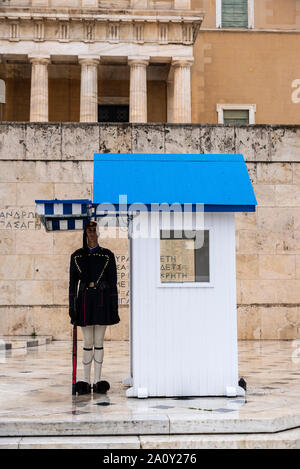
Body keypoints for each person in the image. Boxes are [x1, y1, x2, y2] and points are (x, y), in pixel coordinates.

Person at [69, 220, 120, 395]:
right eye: (89, 230)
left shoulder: (107, 255)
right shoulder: (76, 256)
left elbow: (113, 283)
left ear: (98, 233)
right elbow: (72, 285)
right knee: (87, 342)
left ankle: (97, 380)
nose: (91, 233)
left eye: (94, 230)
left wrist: (114, 306)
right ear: (85, 233)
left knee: (98, 342)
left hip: (101, 301)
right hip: (84, 303)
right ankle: (85, 380)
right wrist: (72, 306)